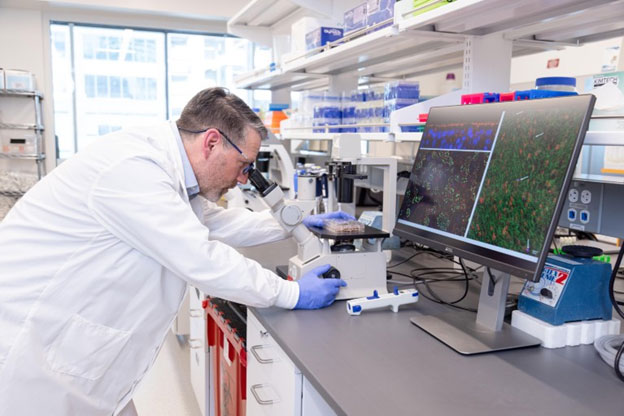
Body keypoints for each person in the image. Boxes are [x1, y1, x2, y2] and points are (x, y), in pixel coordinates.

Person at [0, 87, 350, 415]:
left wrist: (297, 224)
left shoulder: (173, 176)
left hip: (80, 355)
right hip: (35, 355)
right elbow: (201, 257)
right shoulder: (134, 168)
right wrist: (291, 292)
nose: (244, 179)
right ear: (213, 142)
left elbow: (219, 223)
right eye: (244, 166)